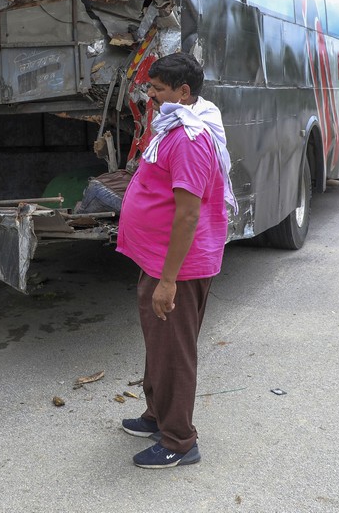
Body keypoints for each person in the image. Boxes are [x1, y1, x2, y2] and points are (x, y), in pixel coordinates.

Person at [115, 52, 233, 469]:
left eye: (159, 89)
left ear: (184, 92)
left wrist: (168, 281)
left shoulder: (190, 138)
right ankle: (156, 415)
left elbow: (187, 213)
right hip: (159, 259)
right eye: (150, 87)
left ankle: (179, 441)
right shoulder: (173, 124)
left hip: (178, 267)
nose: (151, 95)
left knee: (174, 351)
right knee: (159, 345)